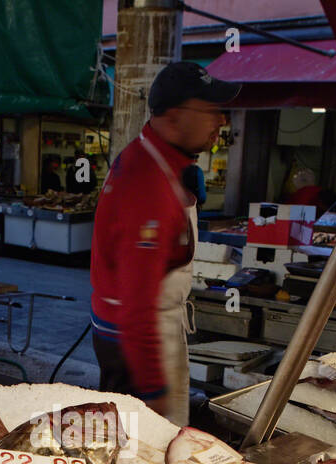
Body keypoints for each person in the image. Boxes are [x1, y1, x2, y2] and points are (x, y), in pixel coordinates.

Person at [89, 61, 240, 424]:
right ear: (174, 117)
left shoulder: (156, 157)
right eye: (210, 111)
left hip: (132, 331)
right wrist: (154, 391)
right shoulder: (149, 183)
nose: (221, 120)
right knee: (145, 452)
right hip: (138, 340)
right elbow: (136, 303)